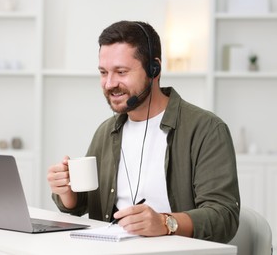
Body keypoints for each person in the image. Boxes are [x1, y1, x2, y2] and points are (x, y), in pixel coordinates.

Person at [47, 20, 240, 243]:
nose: (110, 83)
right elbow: (82, 204)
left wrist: (164, 223)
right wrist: (67, 191)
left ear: (154, 69)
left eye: (121, 71)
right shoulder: (107, 131)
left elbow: (224, 216)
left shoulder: (206, 129)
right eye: (103, 72)